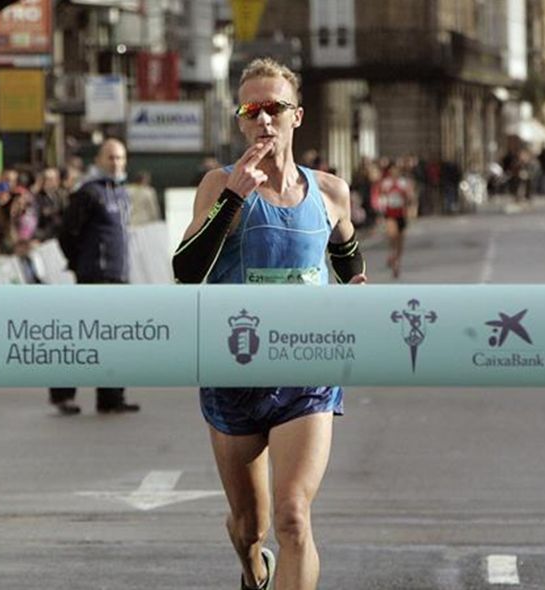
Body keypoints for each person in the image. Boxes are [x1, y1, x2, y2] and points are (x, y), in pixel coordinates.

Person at [172, 57, 366, 590]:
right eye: (251, 110)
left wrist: (355, 284)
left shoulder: (329, 192)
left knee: (292, 517)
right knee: (250, 526)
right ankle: (253, 567)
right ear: (240, 121)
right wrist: (235, 195)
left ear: (296, 116)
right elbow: (185, 272)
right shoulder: (219, 186)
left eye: (274, 108)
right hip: (233, 373)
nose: (263, 120)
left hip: (307, 376)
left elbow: (346, 249)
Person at [52, 139, 139, 415]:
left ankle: (111, 397)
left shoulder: (123, 193)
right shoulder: (88, 193)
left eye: (120, 158)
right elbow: (67, 233)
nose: (116, 163)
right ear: (99, 160)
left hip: (118, 277)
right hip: (94, 277)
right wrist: (81, 264)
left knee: (115, 338)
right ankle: (63, 394)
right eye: (111, 158)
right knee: (84, 335)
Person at [372, 159, 415, 279]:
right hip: (390, 214)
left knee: (400, 241)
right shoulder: (386, 183)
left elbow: (410, 198)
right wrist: (380, 211)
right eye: (393, 170)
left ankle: (397, 261)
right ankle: (393, 259)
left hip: (401, 214)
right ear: (390, 171)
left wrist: (411, 209)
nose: (395, 172)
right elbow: (380, 197)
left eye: (397, 170)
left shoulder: (404, 183)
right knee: (392, 237)